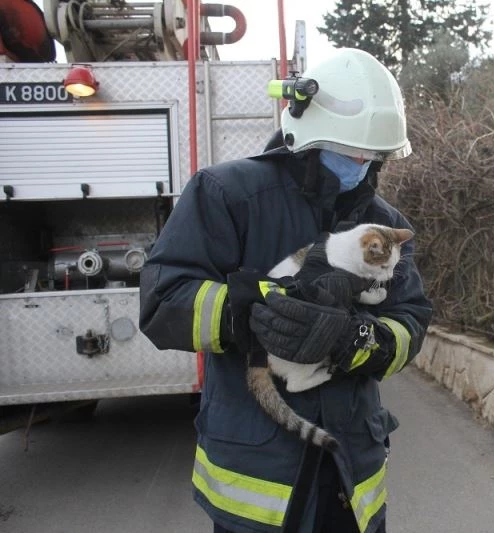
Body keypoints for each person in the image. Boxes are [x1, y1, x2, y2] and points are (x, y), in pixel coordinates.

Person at [139, 47, 433, 533]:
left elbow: (410, 321)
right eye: (350, 149)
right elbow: (162, 299)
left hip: (350, 478)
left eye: (373, 154)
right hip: (255, 479)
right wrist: (246, 316)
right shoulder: (226, 194)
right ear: (307, 134)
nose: (361, 162)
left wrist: (356, 339)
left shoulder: (386, 224)